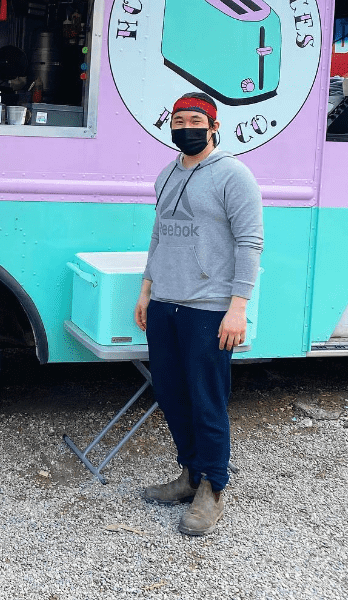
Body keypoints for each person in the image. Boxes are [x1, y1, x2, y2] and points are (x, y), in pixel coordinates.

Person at [134, 91, 262, 536]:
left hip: (210, 309)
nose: (185, 127)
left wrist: (238, 307)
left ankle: (213, 488)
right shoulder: (166, 174)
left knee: (207, 400)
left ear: (213, 127)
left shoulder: (233, 175)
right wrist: (147, 289)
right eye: (178, 119)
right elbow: (159, 236)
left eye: (194, 119)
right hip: (166, 304)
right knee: (171, 395)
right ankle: (189, 476)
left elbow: (250, 243)